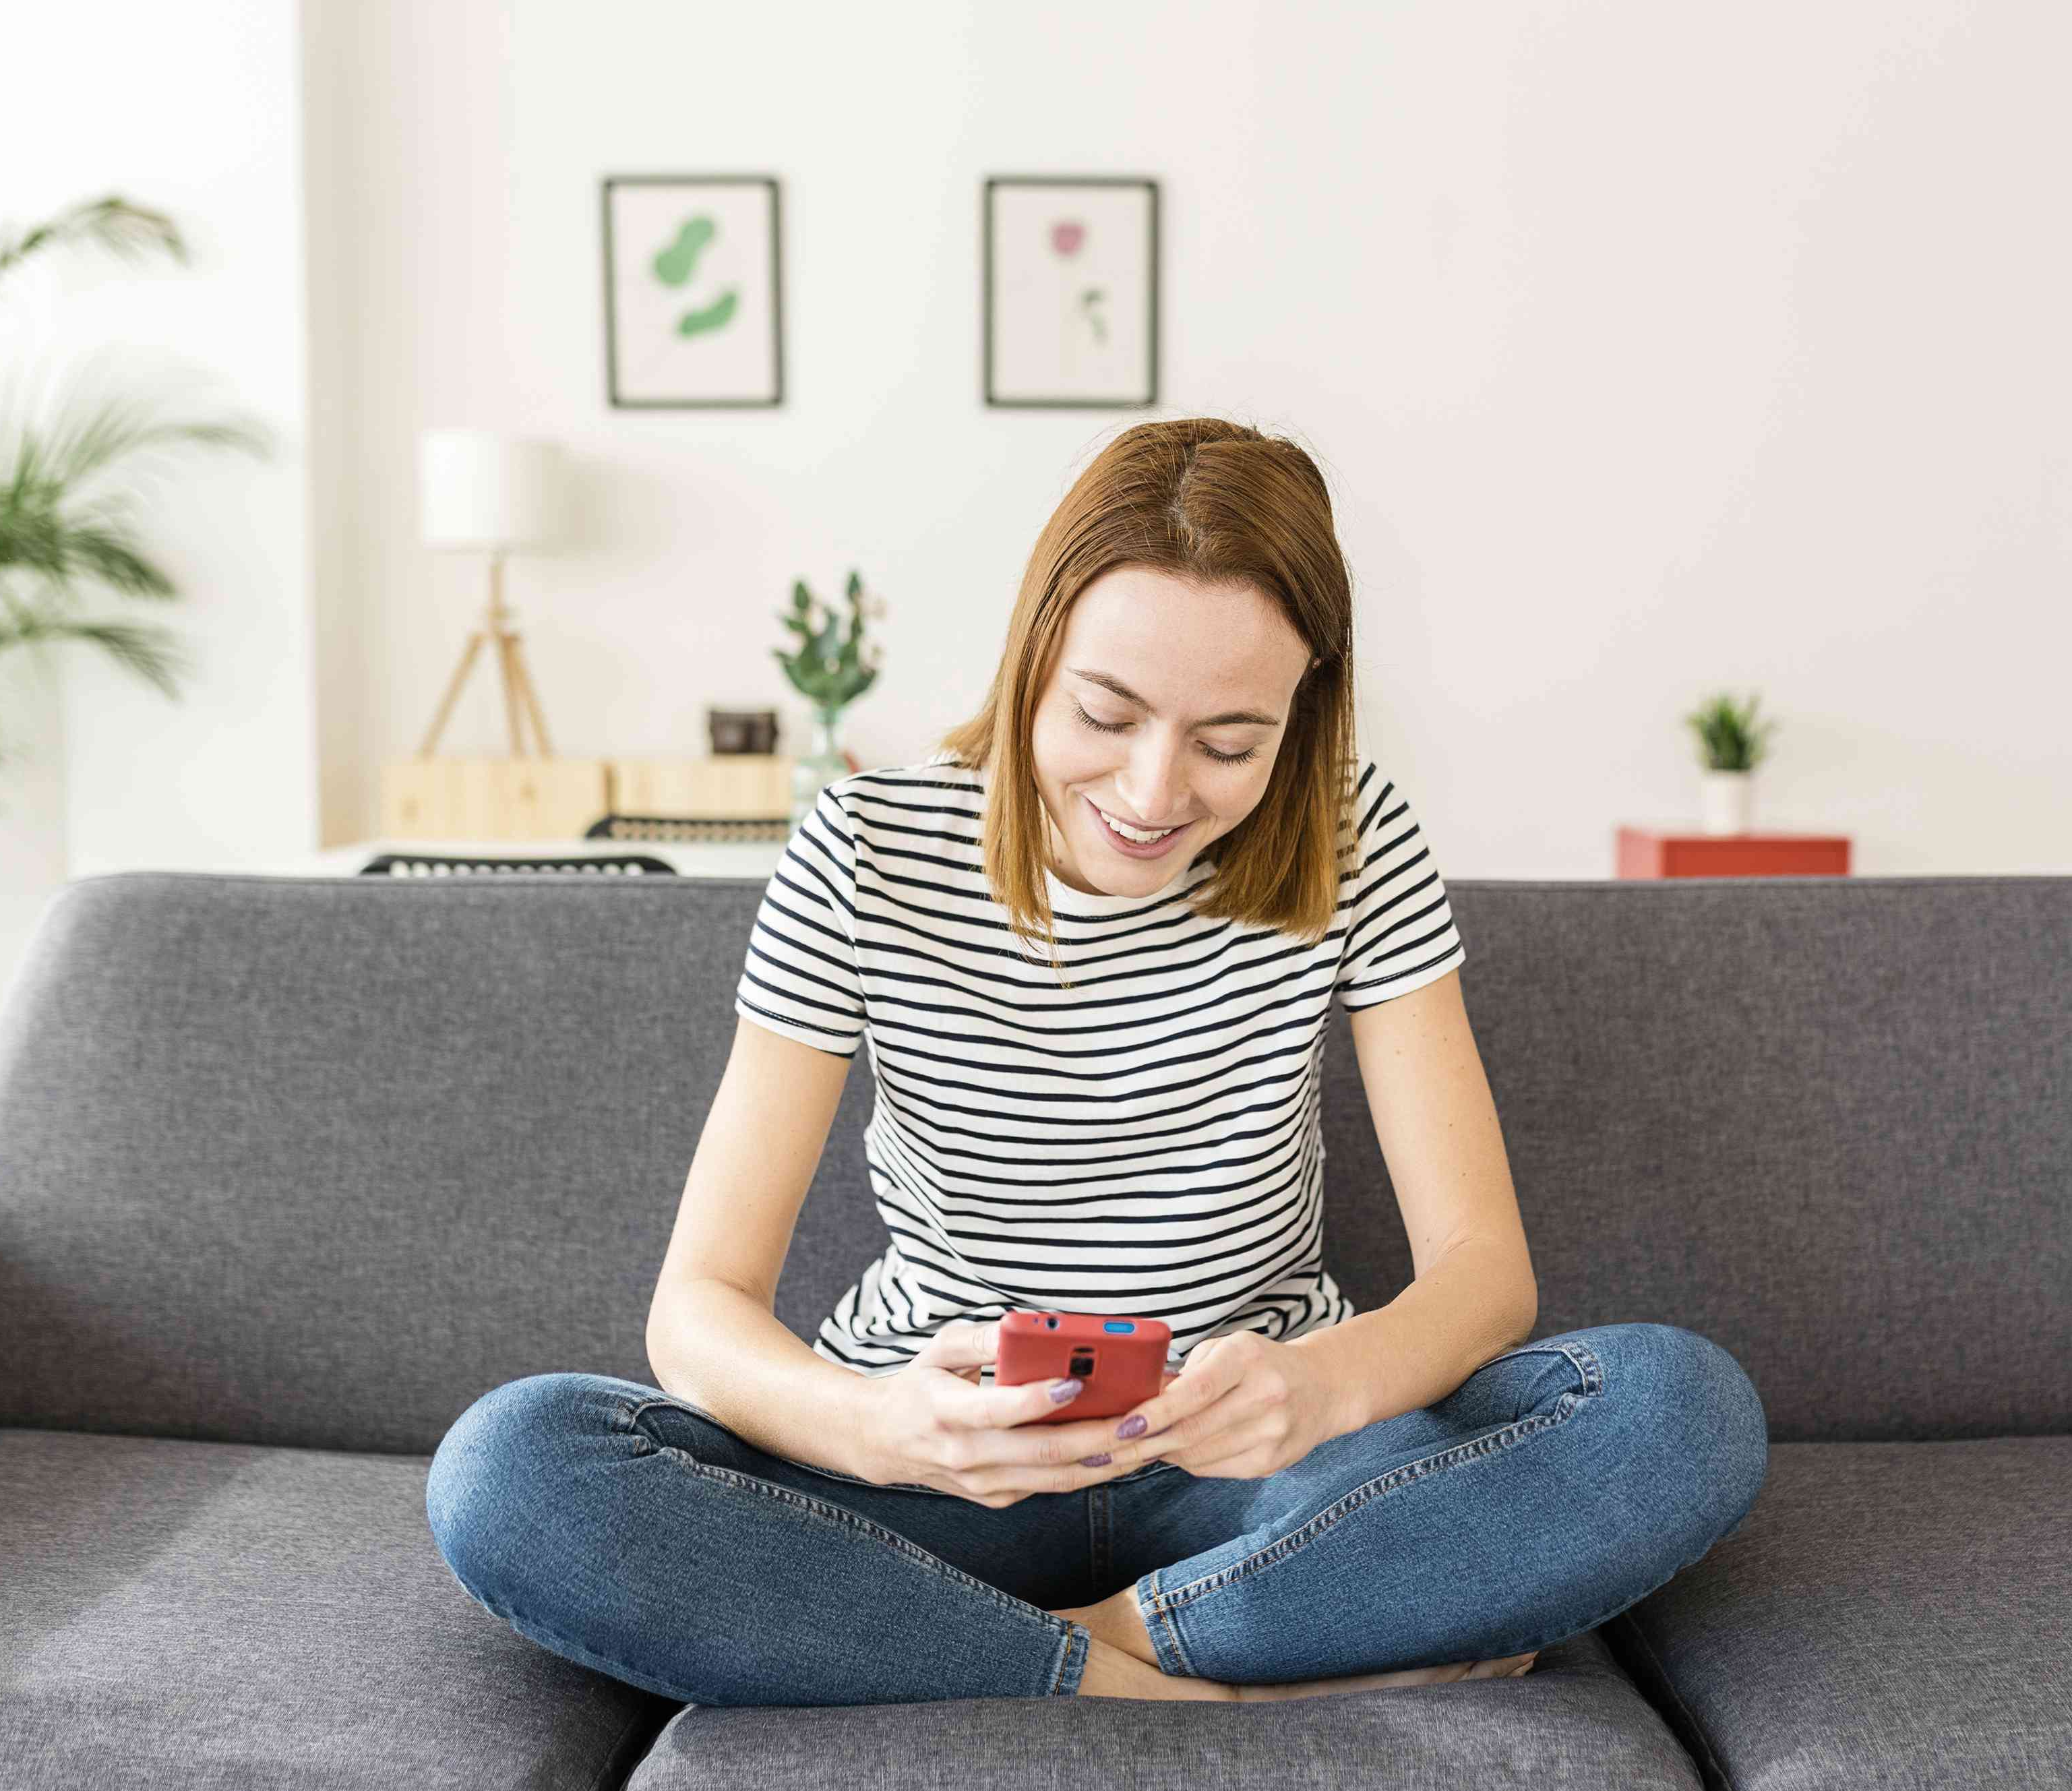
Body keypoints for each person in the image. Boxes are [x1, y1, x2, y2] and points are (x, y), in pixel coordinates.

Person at [425, 417, 1768, 1707]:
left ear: (1303, 707)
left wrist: (1321, 1386)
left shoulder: (1355, 840)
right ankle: (1213, 1679)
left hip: (1269, 1480)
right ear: (1030, 659)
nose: (1150, 789)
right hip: (935, 1481)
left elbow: (1483, 1272)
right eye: (1105, 713)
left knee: (1675, 1410)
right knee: (512, 1467)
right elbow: (698, 1307)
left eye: (1229, 741)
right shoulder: (866, 849)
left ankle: (1048, 1650)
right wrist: (884, 1426)